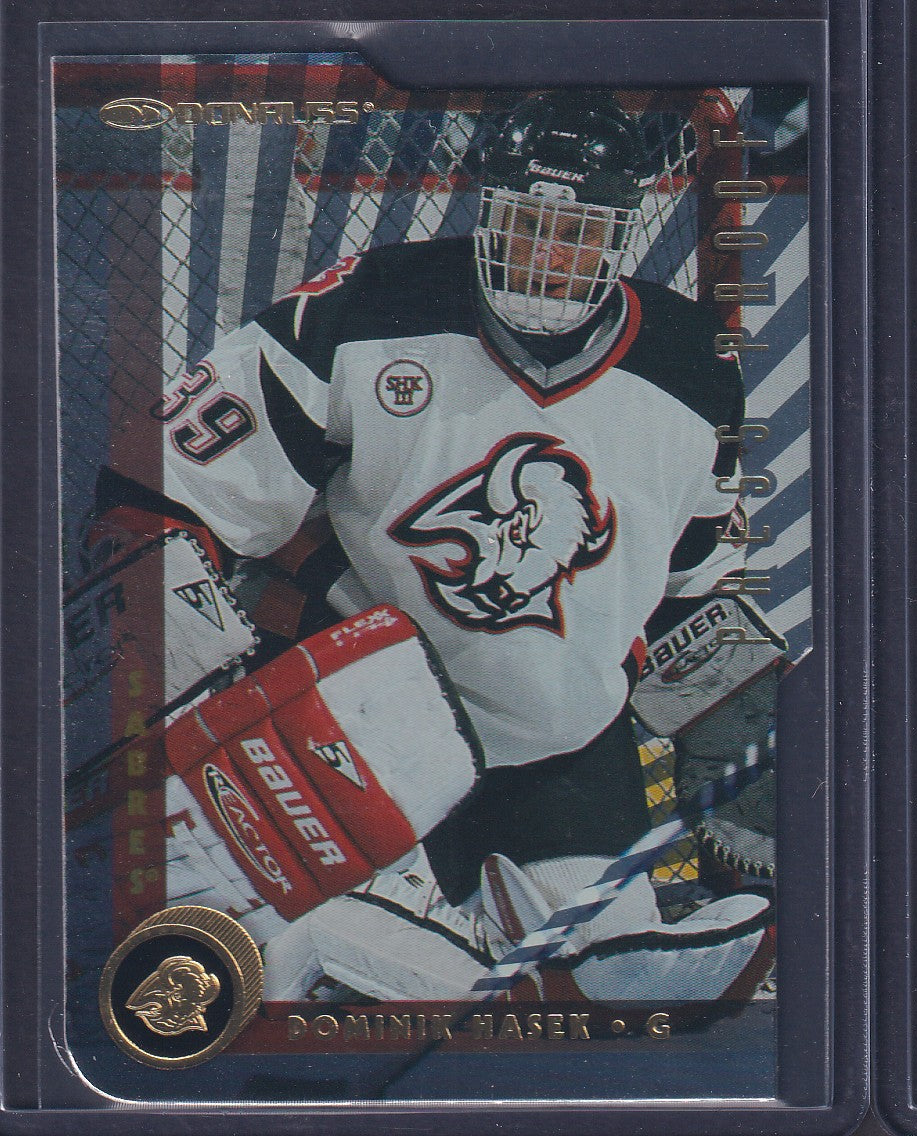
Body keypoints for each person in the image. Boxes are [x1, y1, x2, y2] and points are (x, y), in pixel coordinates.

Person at [95, 90, 777, 1003]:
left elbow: (690, 587)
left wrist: (742, 717)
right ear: (487, 209)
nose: (545, 254)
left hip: (562, 746)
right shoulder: (369, 303)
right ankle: (373, 926)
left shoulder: (693, 368)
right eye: (526, 222)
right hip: (363, 731)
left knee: (618, 990)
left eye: (576, 234)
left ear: (621, 235)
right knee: (341, 983)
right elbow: (153, 492)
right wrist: (200, 692)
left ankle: (471, 938)